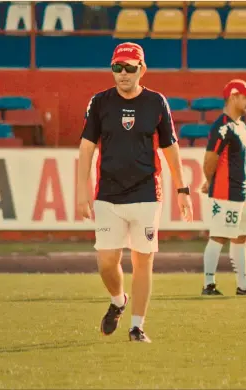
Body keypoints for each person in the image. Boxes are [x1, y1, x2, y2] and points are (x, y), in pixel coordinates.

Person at [77, 42, 194, 343]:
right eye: (118, 67)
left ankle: (137, 327)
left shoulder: (157, 102)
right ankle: (118, 300)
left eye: (130, 67)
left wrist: (182, 189)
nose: (124, 74)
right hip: (108, 194)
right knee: (106, 262)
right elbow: (87, 149)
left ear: (142, 69)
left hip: (146, 193)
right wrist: (82, 190)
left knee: (143, 261)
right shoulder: (100, 102)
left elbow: (170, 148)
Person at [200, 79, 246, 296]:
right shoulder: (222, 126)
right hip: (226, 191)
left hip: (240, 191)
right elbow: (210, 159)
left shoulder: (240, 126)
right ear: (233, 96)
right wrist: (210, 181)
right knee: (219, 235)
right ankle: (208, 285)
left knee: (242, 236)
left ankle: (243, 285)